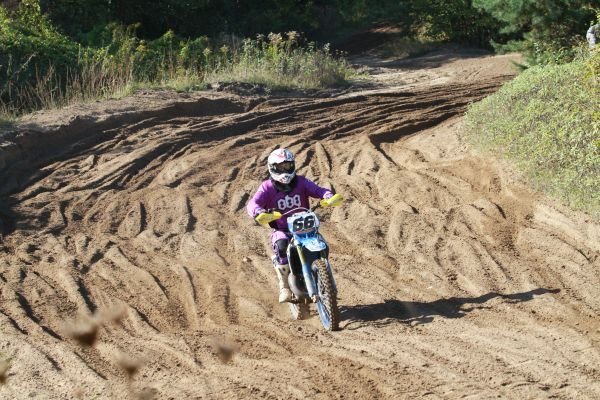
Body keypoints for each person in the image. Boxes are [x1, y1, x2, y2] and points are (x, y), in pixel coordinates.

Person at [246, 148, 341, 303]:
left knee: (323, 246)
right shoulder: (267, 187)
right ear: (272, 168)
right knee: (281, 246)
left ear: (293, 165)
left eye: (288, 166)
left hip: (305, 228)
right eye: (280, 167)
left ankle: (325, 278)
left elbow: (317, 190)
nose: (285, 170)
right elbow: (253, 203)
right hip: (283, 229)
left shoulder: (301, 182)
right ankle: (284, 286)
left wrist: (328, 196)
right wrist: (258, 212)